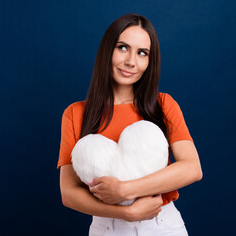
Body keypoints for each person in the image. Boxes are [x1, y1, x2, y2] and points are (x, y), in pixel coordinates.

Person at [58, 13, 202, 235]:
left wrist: (125, 190)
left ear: (149, 61)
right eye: (123, 47)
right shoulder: (75, 113)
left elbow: (192, 168)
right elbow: (68, 193)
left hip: (161, 226)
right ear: (108, 50)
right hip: (106, 227)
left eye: (142, 53)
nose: (131, 61)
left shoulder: (163, 105)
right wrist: (126, 213)